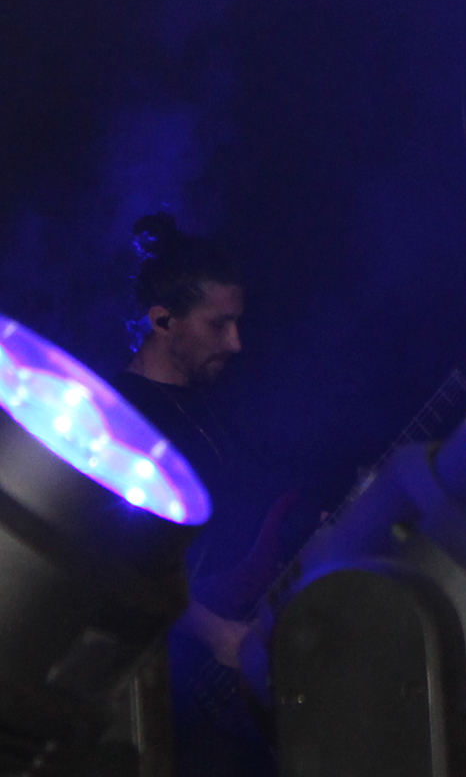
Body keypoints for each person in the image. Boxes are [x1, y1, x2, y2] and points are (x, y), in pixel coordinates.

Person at [110, 214, 295, 777]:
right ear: (163, 320)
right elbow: (120, 566)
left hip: (213, 678)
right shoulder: (122, 420)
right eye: (219, 325)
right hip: (159, 686)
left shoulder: (212, 402)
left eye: (237, 323)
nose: (235, 343)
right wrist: (214, 633)